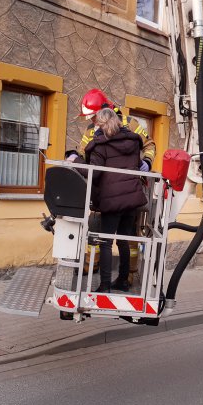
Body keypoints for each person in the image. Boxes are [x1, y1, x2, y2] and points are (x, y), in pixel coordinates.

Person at [80, 107, 147, 293]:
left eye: (97, 124)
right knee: (123, 240)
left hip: (112, 201)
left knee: (106, 242)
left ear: (101, 123)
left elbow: (94, 172)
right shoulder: (133, 142)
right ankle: (123, 281)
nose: (95, 127)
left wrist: (76, 162)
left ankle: (105, 285)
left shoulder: (100, 145)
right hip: (131, 200)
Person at [76, 89, 156, 172]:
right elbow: (83, 152)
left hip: (127, 178)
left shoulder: (128, 123)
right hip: (99, 180)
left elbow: (149, 145)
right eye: (90, 117)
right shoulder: (90, 130)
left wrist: (147, 162)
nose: (92, 120)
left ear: (104, 111)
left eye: (94, 116)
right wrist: (77, 157)